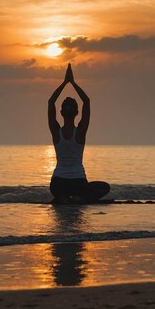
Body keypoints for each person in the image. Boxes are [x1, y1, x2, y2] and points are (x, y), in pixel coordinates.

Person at [48, 63, 110, 204]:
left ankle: (62, 198)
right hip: (78, 183)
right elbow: (86, 102)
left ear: (61, 113)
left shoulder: (56, 132)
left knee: (58, 191)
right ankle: (78, 198)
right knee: (104, 187)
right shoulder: (80, 131)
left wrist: (65, 83)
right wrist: (73, 83)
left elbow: (51, 102)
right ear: (77, 113)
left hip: (58, 184)